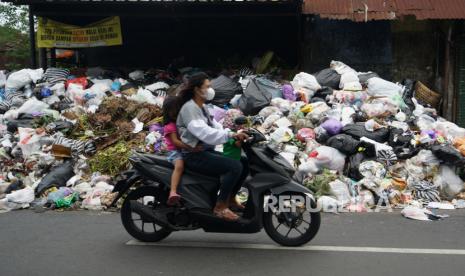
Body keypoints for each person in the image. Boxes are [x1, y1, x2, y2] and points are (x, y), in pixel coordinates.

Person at [177, 72, 249, 221]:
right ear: (197, 89)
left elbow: (215, 126)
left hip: (204, 151)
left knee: (243, 162)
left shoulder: (201, 107)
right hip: (193, 155)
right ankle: (220, 207)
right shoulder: (190, 108)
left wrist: (233, 133)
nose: (211, 90)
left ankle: (229, 199)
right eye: (208, 86)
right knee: (234, 167)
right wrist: (229, 136)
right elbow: (204, 133)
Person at [162, 96, 196, 206]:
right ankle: (173, 191)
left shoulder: (180, 122)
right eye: (175, 110)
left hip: (183, 150)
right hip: (174, 152)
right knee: (180, 165)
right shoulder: (169, 126)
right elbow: (176, 142)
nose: (178, 112)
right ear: (168, 111)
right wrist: (190, 147)